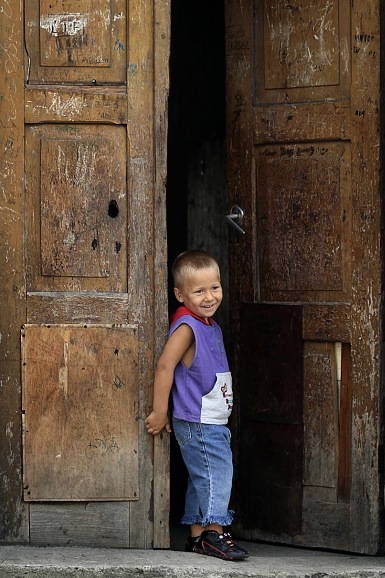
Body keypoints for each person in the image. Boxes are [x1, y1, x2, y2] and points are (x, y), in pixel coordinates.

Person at [145, 250, 249, 561]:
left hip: (211, 419)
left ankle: (196, 537)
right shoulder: (187, 327)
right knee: (218, 473)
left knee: (201, 475)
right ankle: (214, 534)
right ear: (180, 294)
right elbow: (165, 366)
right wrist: (160, 411)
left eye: (214, 288)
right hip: (198, 420)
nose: (209, 297)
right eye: (198, 291)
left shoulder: (209, 325)